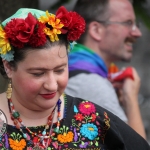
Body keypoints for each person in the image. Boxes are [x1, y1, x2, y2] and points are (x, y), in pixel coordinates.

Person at [0, 6, 149, 150]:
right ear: (8, 67)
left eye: (60, 70)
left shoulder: (92, 118)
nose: (52, 85)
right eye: (38, 73)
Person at [65, 0, 147, 139]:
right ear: (96, 30)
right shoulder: (92, 84)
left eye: (136, 24)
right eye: (128, 23)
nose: (137, 32)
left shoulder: (70, 70)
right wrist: (131, 99)